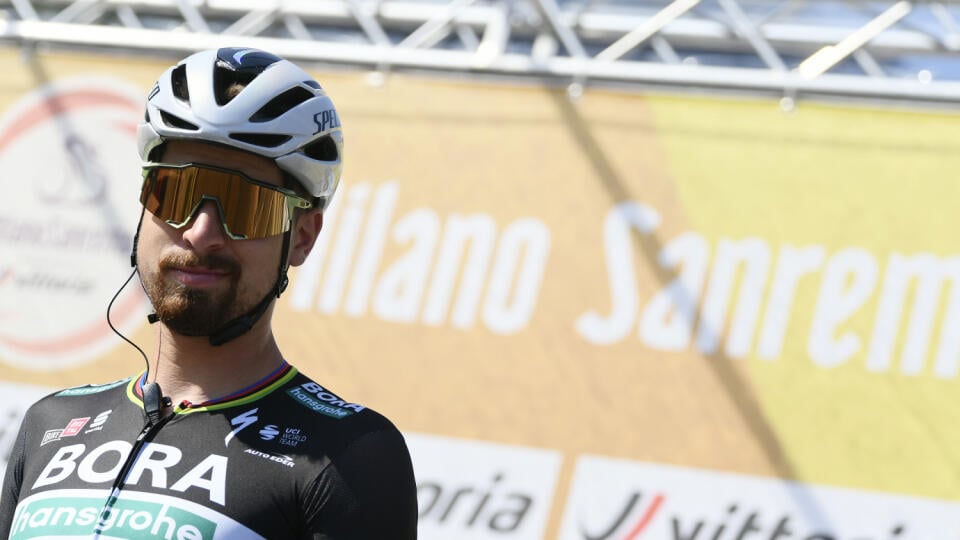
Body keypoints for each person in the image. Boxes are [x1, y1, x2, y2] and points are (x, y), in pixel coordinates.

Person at [0, 47, 418, 539]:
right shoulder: (50, 423)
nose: (201, 233)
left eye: (245, 206)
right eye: (174, 192)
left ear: (301, 237)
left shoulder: (350, 453)